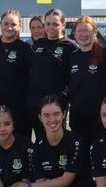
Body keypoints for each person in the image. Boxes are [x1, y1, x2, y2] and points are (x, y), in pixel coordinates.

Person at [27, 8, 76, 139]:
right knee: (40, 140)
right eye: (48, 24)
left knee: (56, 139)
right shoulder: (39, 44)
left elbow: (76, 76)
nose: (51, 27)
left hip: (56, 103)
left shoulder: (70, 46)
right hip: (36, 102)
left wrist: (63, 95)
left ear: (63, 25)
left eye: (55, 24)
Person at [0, 10, 33, 138]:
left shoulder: (25, 49)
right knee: (2, 139)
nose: (9, 28)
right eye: (6, 24)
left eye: (13, 24)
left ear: (19, 26)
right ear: (0, 24)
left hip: (20, 106)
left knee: (22, 140)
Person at [68, 17, 106, 142]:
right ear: (74, 34)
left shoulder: (105, 54)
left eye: (87, 30)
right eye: (79, 31)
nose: (83, 34)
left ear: (94, 32)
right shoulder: (72, 57)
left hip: (101, 117)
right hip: (78, 116)